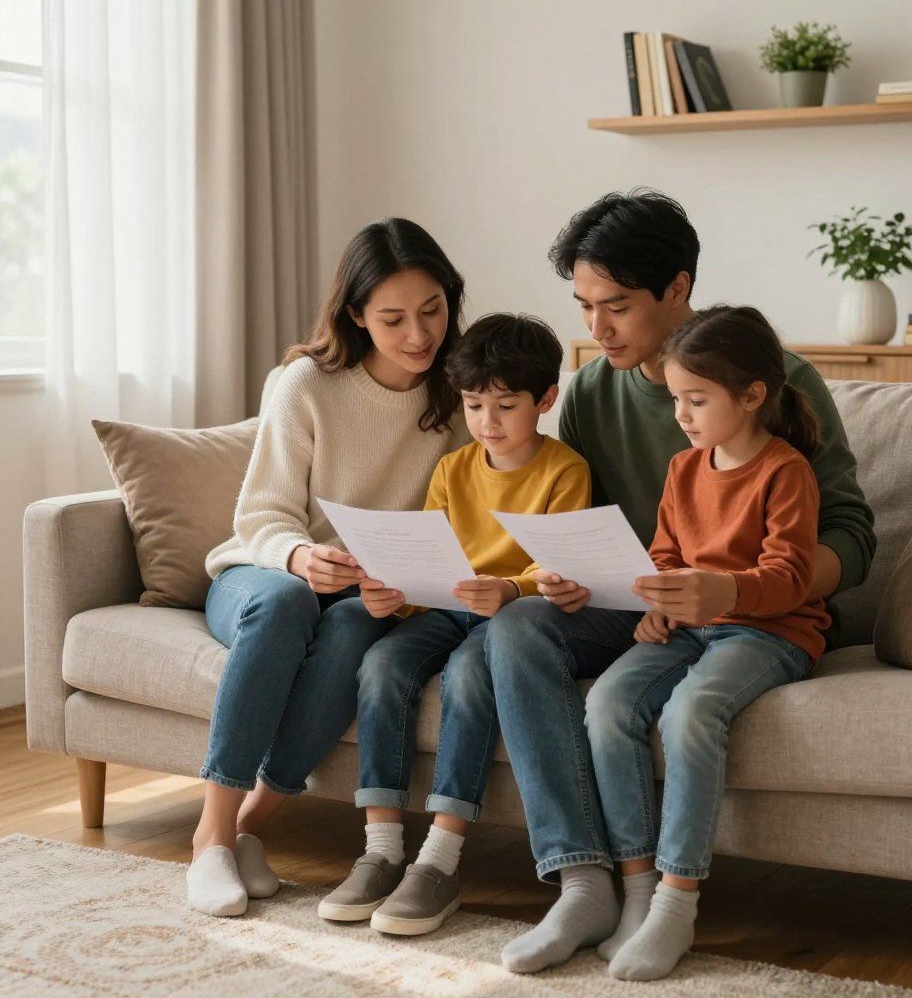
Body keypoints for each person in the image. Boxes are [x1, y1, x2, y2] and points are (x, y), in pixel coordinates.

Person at [488, 189, 876, 974]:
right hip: (647, 604)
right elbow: (592, 520)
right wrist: (561, 574)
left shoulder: (772, 378)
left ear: (677, 289)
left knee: (678, 698)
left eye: (617, 307)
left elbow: (851, 539)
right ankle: (583, 878)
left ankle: (668, 899)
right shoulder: (594, 391)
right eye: (583, 306)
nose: (595, 331)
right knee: (517, 626)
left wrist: (737, 593)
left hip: (757, 611)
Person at [187, 218, 472, 917]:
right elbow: (260, 517)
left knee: (351, 629)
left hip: (371, 593)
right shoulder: (307, 383)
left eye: (432, 310)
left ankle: (251, 828)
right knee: (285, 603)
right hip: (260, 576)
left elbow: (466, 516)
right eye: (394, 318)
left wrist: (403, 577)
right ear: (355, 315)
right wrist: (300, 556)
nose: (419, 335)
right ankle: (210, 834)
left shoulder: (460, 393)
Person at [317, 312, 590, 936]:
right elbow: (428, 558)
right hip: (445, 606)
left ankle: (439, 863)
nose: (487, 423)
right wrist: (394, 597)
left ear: (546, 399)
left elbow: (559, 562)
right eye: (473, 405)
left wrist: (511, 588)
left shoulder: (565, 470)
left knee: (470, 678)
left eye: (505, 406)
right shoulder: (453, 469)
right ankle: (381, 850)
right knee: (381, 663)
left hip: (509, 616)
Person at [586, 304, 829, 980]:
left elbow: (791, 578)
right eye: (676, 400)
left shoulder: (787, 473)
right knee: (607, 704)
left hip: (771, 632)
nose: (683, 415)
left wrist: (725, 594)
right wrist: (657, 605)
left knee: (692, 712)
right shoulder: (683, 470)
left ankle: (676, 899)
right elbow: (666, 554)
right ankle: (636, 886)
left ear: (752, 396)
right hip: (690, 628)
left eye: (697, 399)